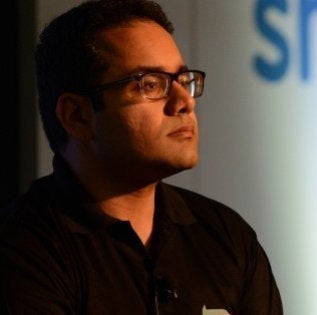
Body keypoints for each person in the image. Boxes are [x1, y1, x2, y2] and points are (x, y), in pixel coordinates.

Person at [0, 0, 283, 314]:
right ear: (77, 116)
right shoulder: (23, 249)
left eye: (184, 81)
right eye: (151, 84)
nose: (184, 102)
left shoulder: (227, 237)